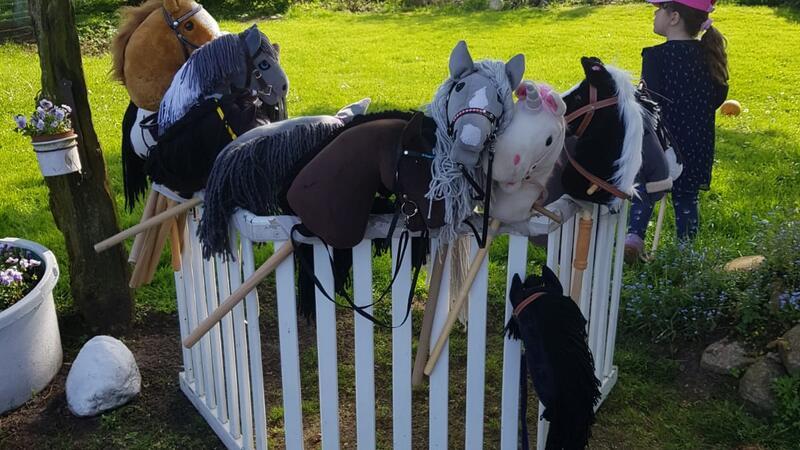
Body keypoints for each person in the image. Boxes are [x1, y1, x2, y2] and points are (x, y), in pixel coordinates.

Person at [624, 0, 730, 263]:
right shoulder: (708, 55)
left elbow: (648, 101)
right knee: (686, 199)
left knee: (646, 188)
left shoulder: (655, 56)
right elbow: (717, 95)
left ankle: (634, 238)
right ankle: (685, 252)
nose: (654, 13)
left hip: (661, 143)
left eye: (659, 9)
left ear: (673, 18)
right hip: (696, 143)